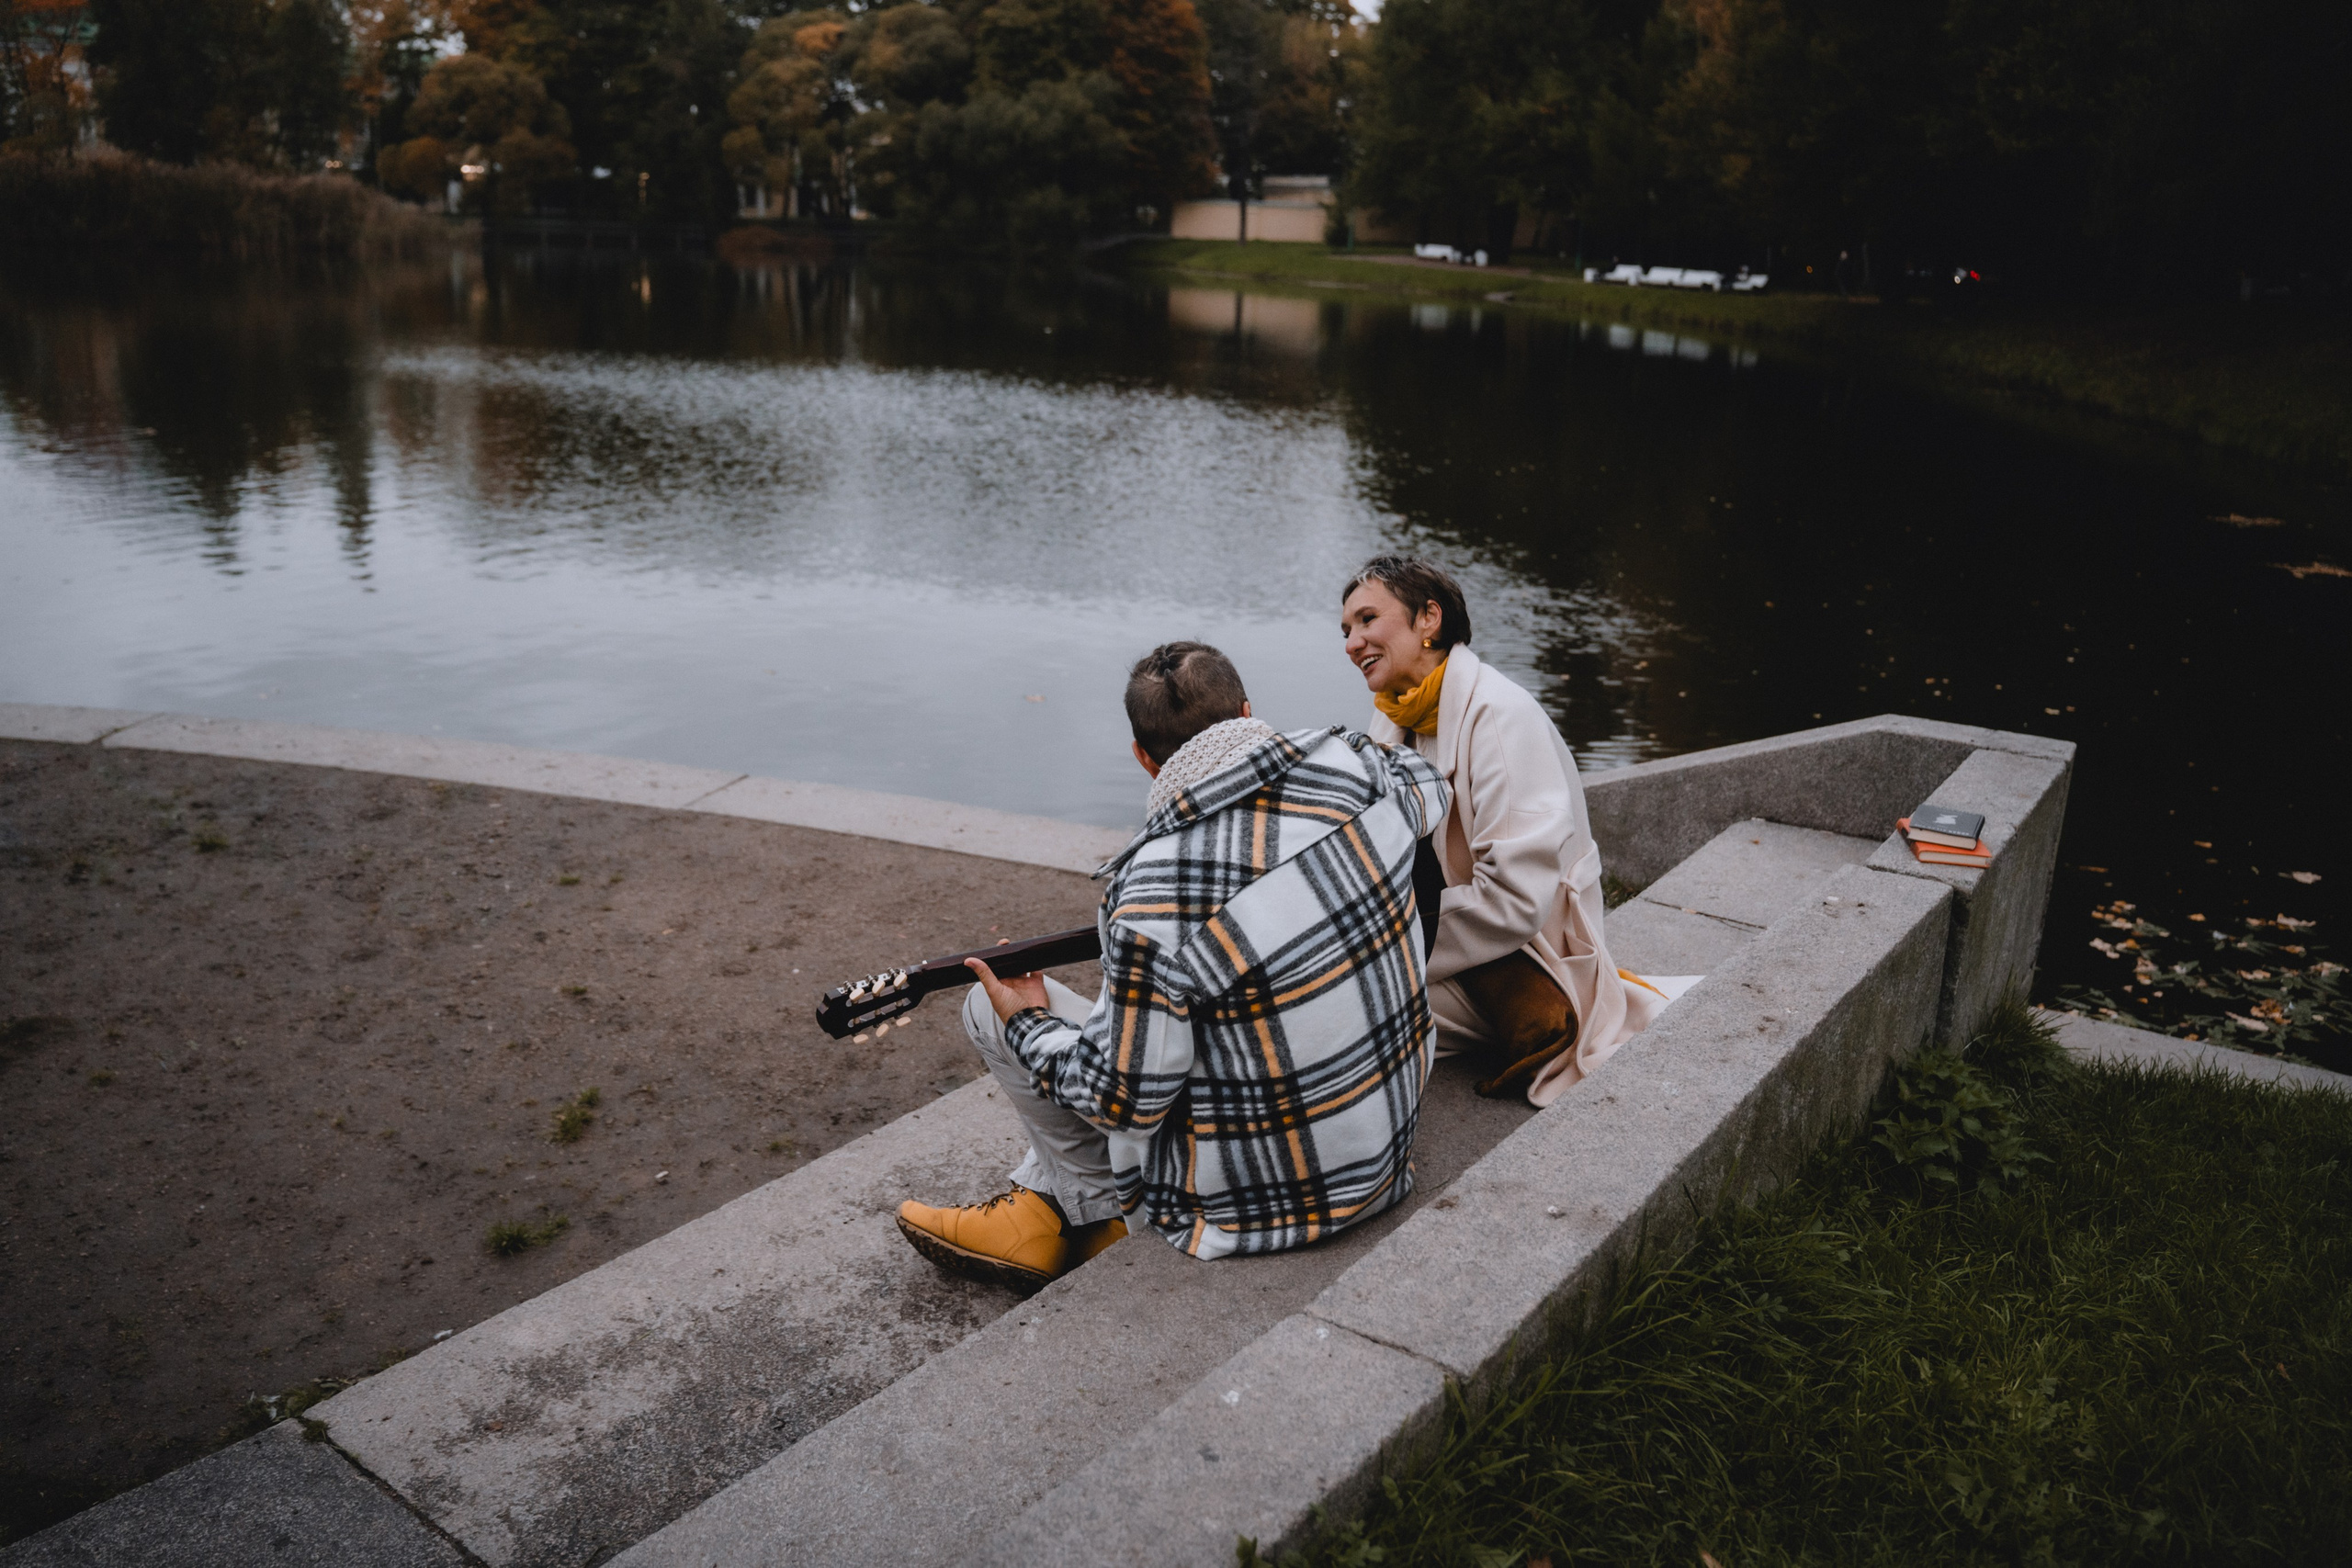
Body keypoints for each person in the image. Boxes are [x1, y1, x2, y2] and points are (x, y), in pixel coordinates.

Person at [895, 640, 1451, 1292]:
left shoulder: (1154, 893)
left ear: (1142, 757)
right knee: (1156, 1017)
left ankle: (1076, 1213)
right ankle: (1044, 1204)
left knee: (990, 1009)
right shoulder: (1357, 766)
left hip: (1253, 1213)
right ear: (1249, 712)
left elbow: (1121, 1101)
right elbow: (1427, 785)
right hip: (1384, 1160)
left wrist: (1028, 1023)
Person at [1342, 556, 1664, 1106]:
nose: (1352, 642)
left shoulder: (1499, 715)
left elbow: (1515, 899)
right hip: (1455, 942)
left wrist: (1385, 947)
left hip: (1526, 959)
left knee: (1336, 1003)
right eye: (1346, 630)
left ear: (1428, 619)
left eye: (1368, 619)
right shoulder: (1395, 715)